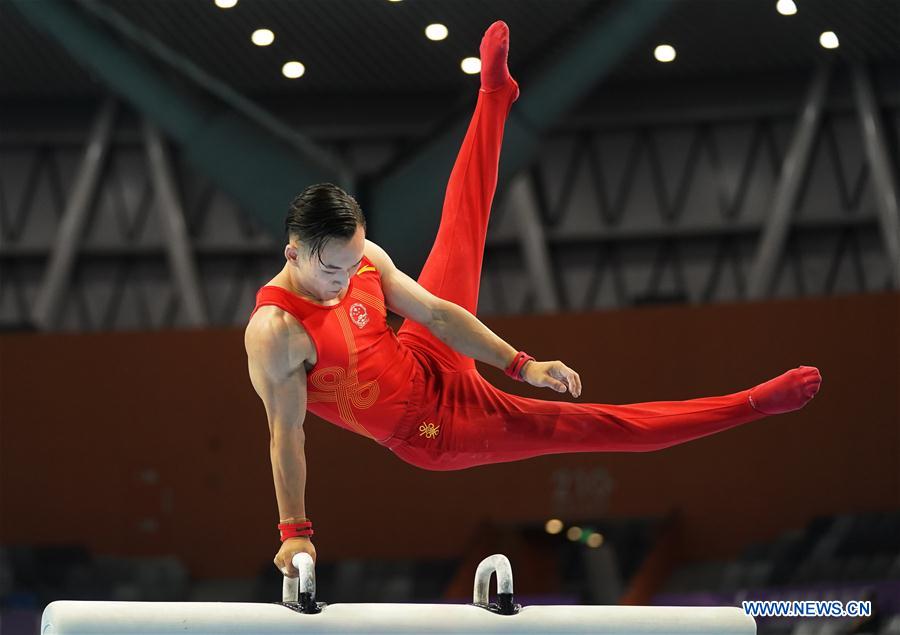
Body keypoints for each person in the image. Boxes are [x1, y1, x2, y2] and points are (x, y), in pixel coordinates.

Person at [244, 21, 822, 578]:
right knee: (594, 425)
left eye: (354, 262)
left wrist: (524, 364)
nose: (346, 279)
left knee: (460, 226)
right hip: (436, 429)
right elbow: (286, 433)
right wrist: (295, 530)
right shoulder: (278, 332)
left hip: (425, 356)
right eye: (332, 270)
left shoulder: (362, 258)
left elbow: (440, 315)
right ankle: (750, 404)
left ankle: (495, 95)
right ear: (292, 253)